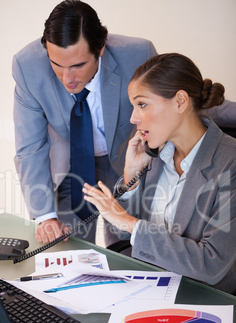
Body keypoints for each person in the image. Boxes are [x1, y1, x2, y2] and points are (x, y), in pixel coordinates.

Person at [13, 0, 236, 247]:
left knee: (123, 244)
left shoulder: (136, 54)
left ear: (100, 49)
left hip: (125, 158)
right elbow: (30, 147)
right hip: (71, 164)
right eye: (57, 65)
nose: (67, 78)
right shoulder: (27, 67)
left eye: (78, 66)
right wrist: (46, 218)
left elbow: (176, 101)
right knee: (65, 248)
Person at [82, 53, 236, 294]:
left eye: (142, 104)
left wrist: (132, 223)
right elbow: (123, 233)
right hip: (147, 286)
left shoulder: (230, 163)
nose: (133, 117)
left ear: (180, 102)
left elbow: (211, 264)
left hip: (201, 297)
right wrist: (131, 176)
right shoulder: (155, 154)